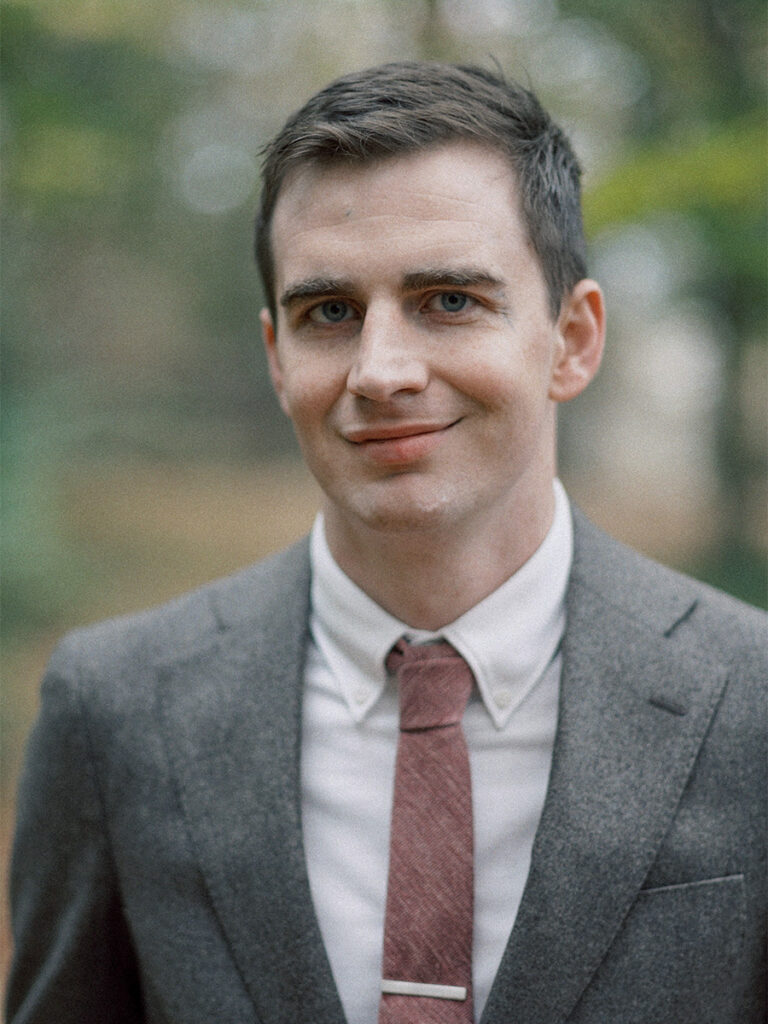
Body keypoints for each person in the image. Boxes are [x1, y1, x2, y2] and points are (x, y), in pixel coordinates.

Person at [6, 61, 765, 1024]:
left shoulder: (752, 706)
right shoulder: (115, 713)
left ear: (572, 339)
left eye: (449, 300)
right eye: (330, 313)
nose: (381, 370)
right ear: (277, 357)